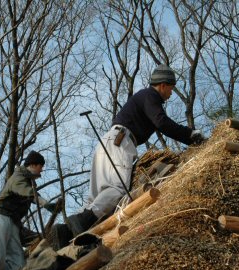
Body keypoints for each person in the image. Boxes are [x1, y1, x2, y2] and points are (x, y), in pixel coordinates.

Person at [66, 64, 205, 236]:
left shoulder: (143, 97)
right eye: (171, 89)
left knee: (96, 196)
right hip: (121, 141)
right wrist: (190, 135)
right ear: (163, 85)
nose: (170, 94)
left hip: (108, 141)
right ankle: (82, 220)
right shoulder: (150, 96)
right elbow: (161, 122)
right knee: (117, 189)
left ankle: (67, 231)